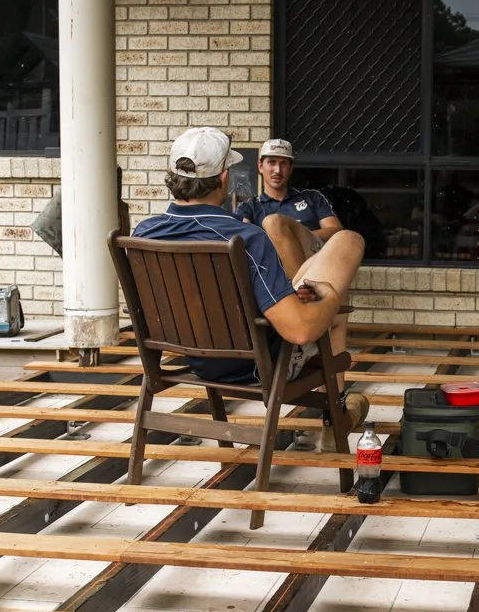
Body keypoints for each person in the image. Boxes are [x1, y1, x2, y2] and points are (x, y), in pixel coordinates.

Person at [133, 127, 368, 449]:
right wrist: (328, 296)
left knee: (303, 290)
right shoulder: (242, 238)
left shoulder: (144, 233)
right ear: (225, 177)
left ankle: (336, 412)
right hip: (257, 367)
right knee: (347, 246)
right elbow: (300, 332)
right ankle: (336, 415)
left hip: (192, 359)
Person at [235, 138, 342, 280]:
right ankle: (298, 288)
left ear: (291, 168)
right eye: (272, 162)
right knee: (272, 223)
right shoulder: (250, 207)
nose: (277, 170)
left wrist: (297, 235)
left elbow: (336, 232)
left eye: (283, 164)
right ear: (260, 166)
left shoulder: (312, 198)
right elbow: (243, 241)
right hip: (272, 277)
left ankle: (300, 286)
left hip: (315, 270)